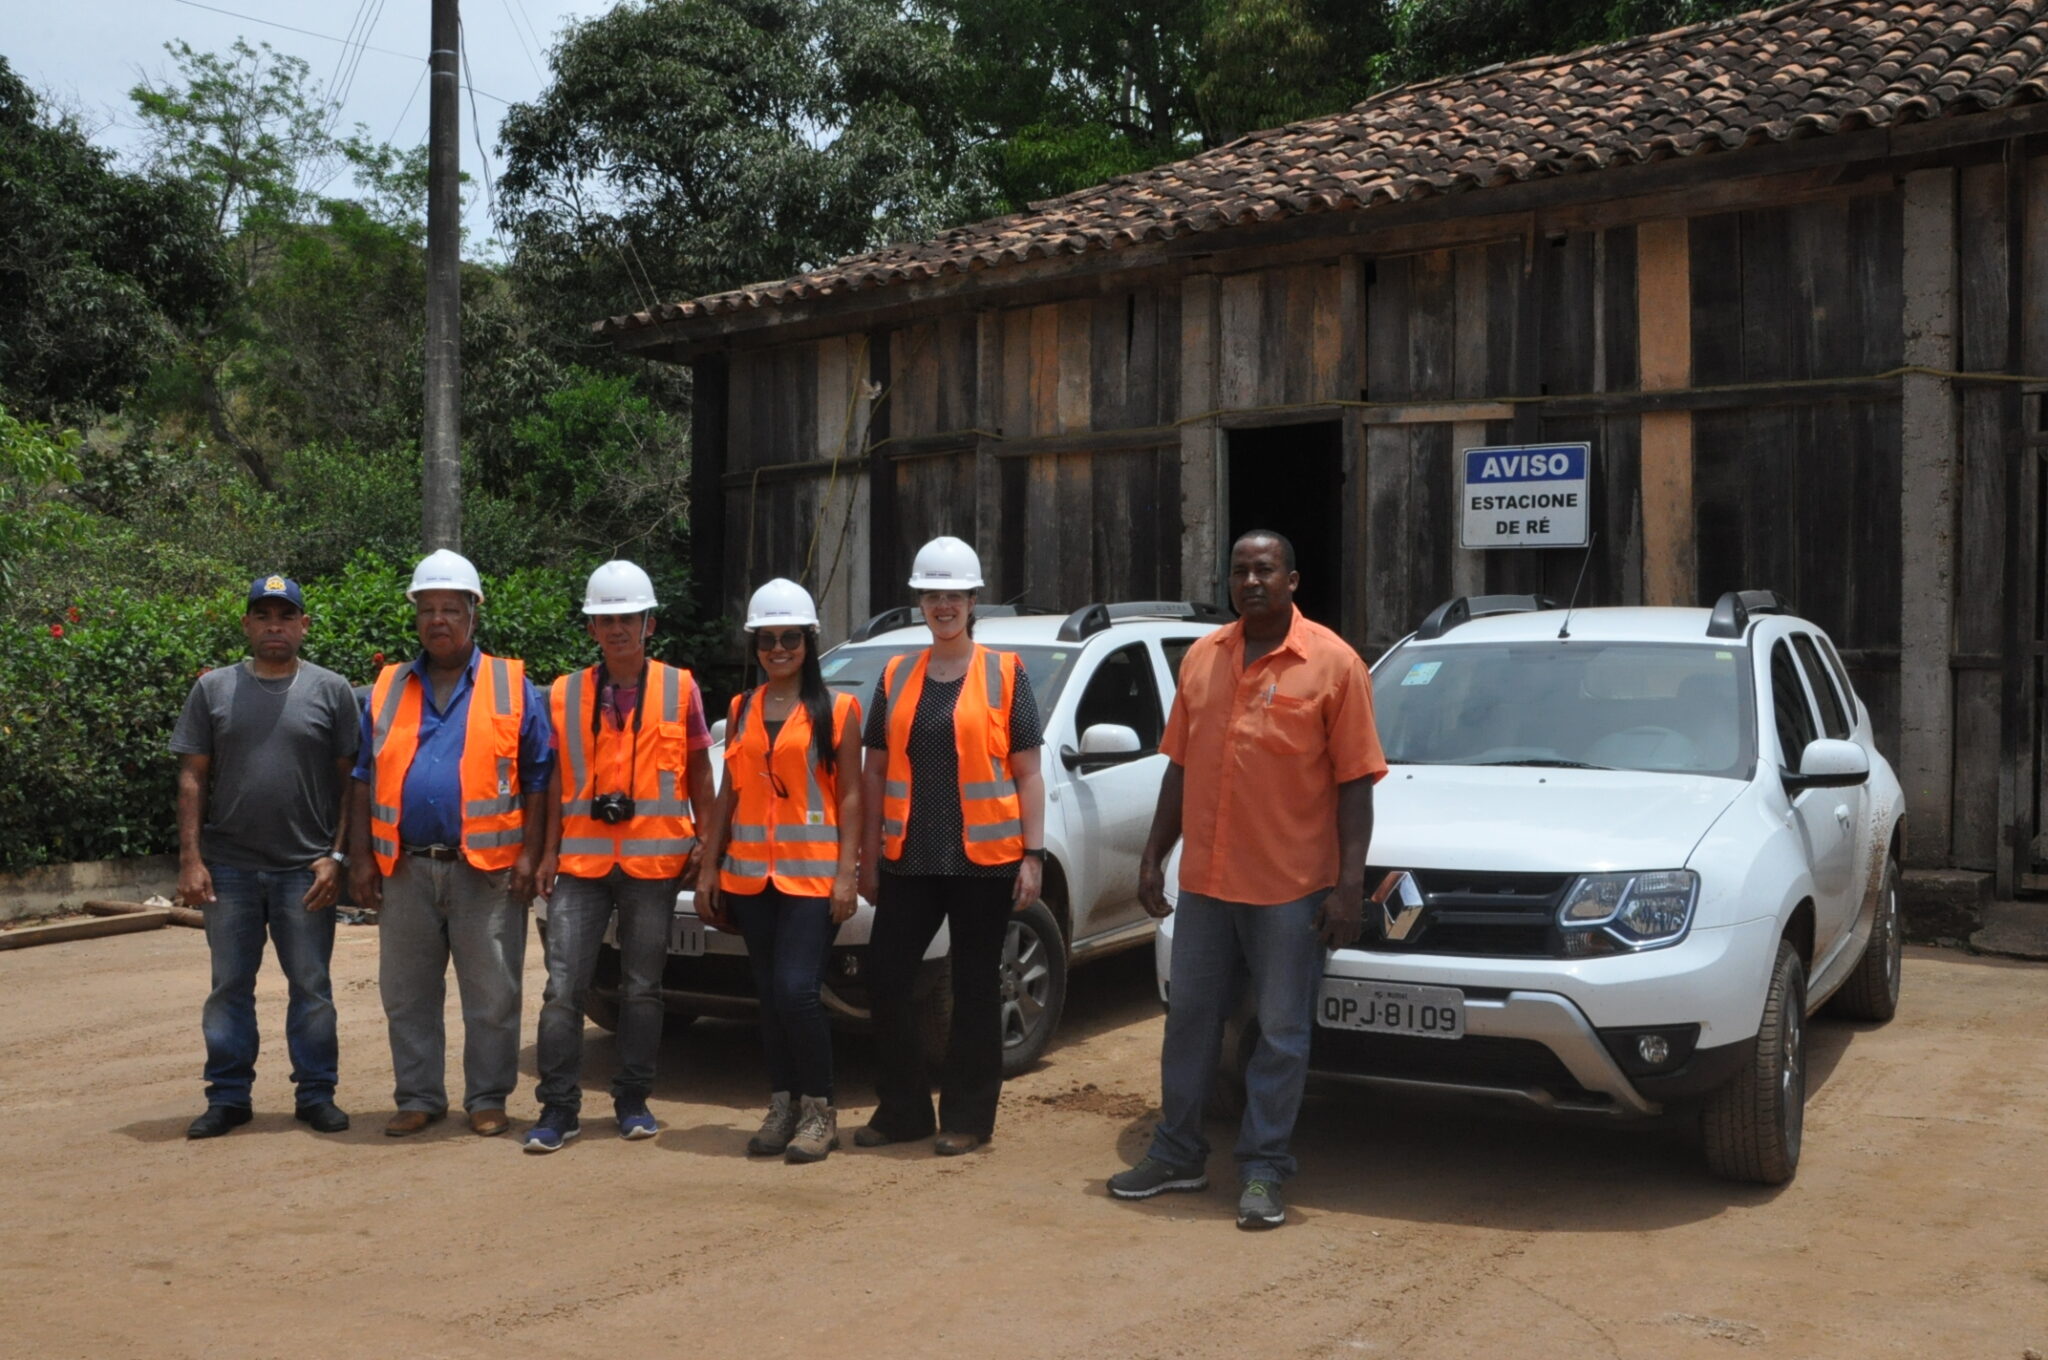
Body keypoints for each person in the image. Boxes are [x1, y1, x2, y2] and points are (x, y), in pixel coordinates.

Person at [1106, 530, 1385, 1230]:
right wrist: (1154, 854)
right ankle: (1178, 1152)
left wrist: (1349, 886)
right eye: (1240, 571)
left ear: (1293, 581)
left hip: (1292, 888)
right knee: (1190, 1022)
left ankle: (1263, 1169)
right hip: (1206, 882)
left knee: (1281, 1032)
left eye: (1265, 569)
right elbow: (1179, 766)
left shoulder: (1334, 664)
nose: (1251, 581)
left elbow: (1355, 784)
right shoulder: (1203, 657)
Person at [346, 549, 552, 1138]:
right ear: (416, 617)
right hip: (406, 869)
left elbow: (539, 776)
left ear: (473, 615)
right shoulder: (387, 688)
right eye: (427, 609)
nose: (438, 620)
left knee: (493, 994)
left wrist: (530, 854)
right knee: (406, 994)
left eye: (451, 609)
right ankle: (418, 1097)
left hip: (486, 871)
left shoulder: (511, 686)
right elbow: (362, 775)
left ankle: (487, 1098)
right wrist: (360, 857)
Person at [855, 536, 1046, 1156]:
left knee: (974, 989)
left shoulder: (1007, 673)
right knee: (885, 978)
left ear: (972, 600)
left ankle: (968, 1117)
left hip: (984, 863)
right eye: (932, 595)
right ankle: (904, 1111)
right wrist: (868, 856)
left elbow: (1028, 774)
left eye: (954, 595)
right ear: (920, 602)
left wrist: (1033, 855)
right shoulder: (895, 675)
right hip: (909, 858)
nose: (943, 605)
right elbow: (874, 771)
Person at [524, 561, 715, 1153]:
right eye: (605, 620)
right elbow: (556, 780)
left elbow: (700, 770)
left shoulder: (680, 688)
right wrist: (547, 852)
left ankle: (633, 1099)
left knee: (641, 988)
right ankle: (558, 1107)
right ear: (591, 629)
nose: (616, 628)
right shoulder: (564, 693)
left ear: (648, 623)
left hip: (653, 867)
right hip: (580, 865)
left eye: (627, 617)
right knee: (563, 988)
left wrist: (706, 840)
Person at [172, 575, 362, 1139]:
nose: (274, 626)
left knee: (311, 987)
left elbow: (352, 782)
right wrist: (191, 859)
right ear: (247, 625)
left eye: (286, 616)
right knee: (229, 986)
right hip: (228, 867)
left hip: (304, 869)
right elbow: (192, 776)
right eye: (263, 616)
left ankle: (316, 1094)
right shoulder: (213, 690)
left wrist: (337, 856)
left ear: (303, 625)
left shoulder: (332, 690)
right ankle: (228, 1097)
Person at [696, 579, 863, 1163]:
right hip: (751, 880)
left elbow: (850, 795)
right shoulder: (741, 709)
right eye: (767, 639)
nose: (778, 649)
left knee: (797, 992)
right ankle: (783, 1104)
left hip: (812, 881)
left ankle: (820, 1111)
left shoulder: (838, 710)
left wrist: (847, 874)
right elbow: (729, 792)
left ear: (809, 641)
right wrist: (709, 866)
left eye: (790, 637)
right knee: (770, 996)